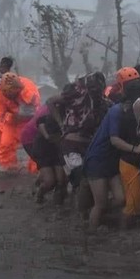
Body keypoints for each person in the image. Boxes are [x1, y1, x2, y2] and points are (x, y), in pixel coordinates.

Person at [83, 77, 140, 233]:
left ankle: (104, 220)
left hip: (112, 161)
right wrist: (134, 149)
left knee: (120, 199)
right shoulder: (117, 111)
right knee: (101, 203)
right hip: (98, 159)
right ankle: (90, 234)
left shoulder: (132, 112)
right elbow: (114, 140)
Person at [46, 73, 108, 216]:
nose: (95, 90)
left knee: (87, 181)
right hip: (70, 144)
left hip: (89, 146)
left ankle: (84, 212)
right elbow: (50, 101)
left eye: (97, 88)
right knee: (78, 180)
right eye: (92, 87)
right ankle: (79, 215)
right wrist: (61, 123)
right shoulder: (75, 94)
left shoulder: (104, 102)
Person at [116, 78, 140, 229]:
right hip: (131, 163)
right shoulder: (127, 116)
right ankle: (123, 234)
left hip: (139, 163)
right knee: (132, 206)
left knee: (138, 205)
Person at [0, 72, 40, 173]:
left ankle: (35, 169)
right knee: (5, 144)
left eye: (12, 93)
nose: (9, 95)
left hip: (30, 120)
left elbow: (35, 102)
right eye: (6, 93)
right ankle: (8, 168)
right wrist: (11, 117)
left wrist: (23, 89)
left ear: (17, 88)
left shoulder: (28, 85)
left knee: (35, 145)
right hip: (11, 121)